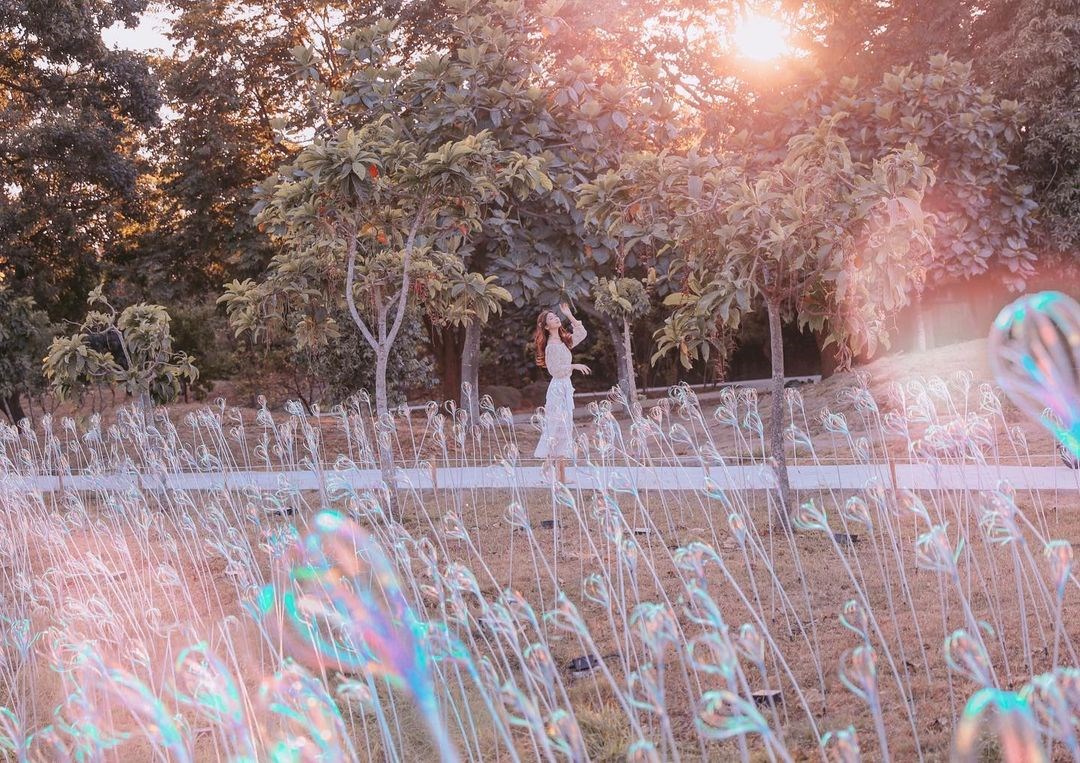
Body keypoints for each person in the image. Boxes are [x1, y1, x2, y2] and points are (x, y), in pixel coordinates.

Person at [533, 302, 590, 483]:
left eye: (556, 316)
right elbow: (554, 371)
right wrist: (574, 365)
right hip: (557, 390)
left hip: (565, 387)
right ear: (546, 326)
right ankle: (555, 474)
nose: (556, 318)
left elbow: (582, 333)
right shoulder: (551, 346)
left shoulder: (564, 340)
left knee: (564, 430)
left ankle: (557, 475)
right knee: (558, 429)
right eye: (551, 318)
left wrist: (570, 315)